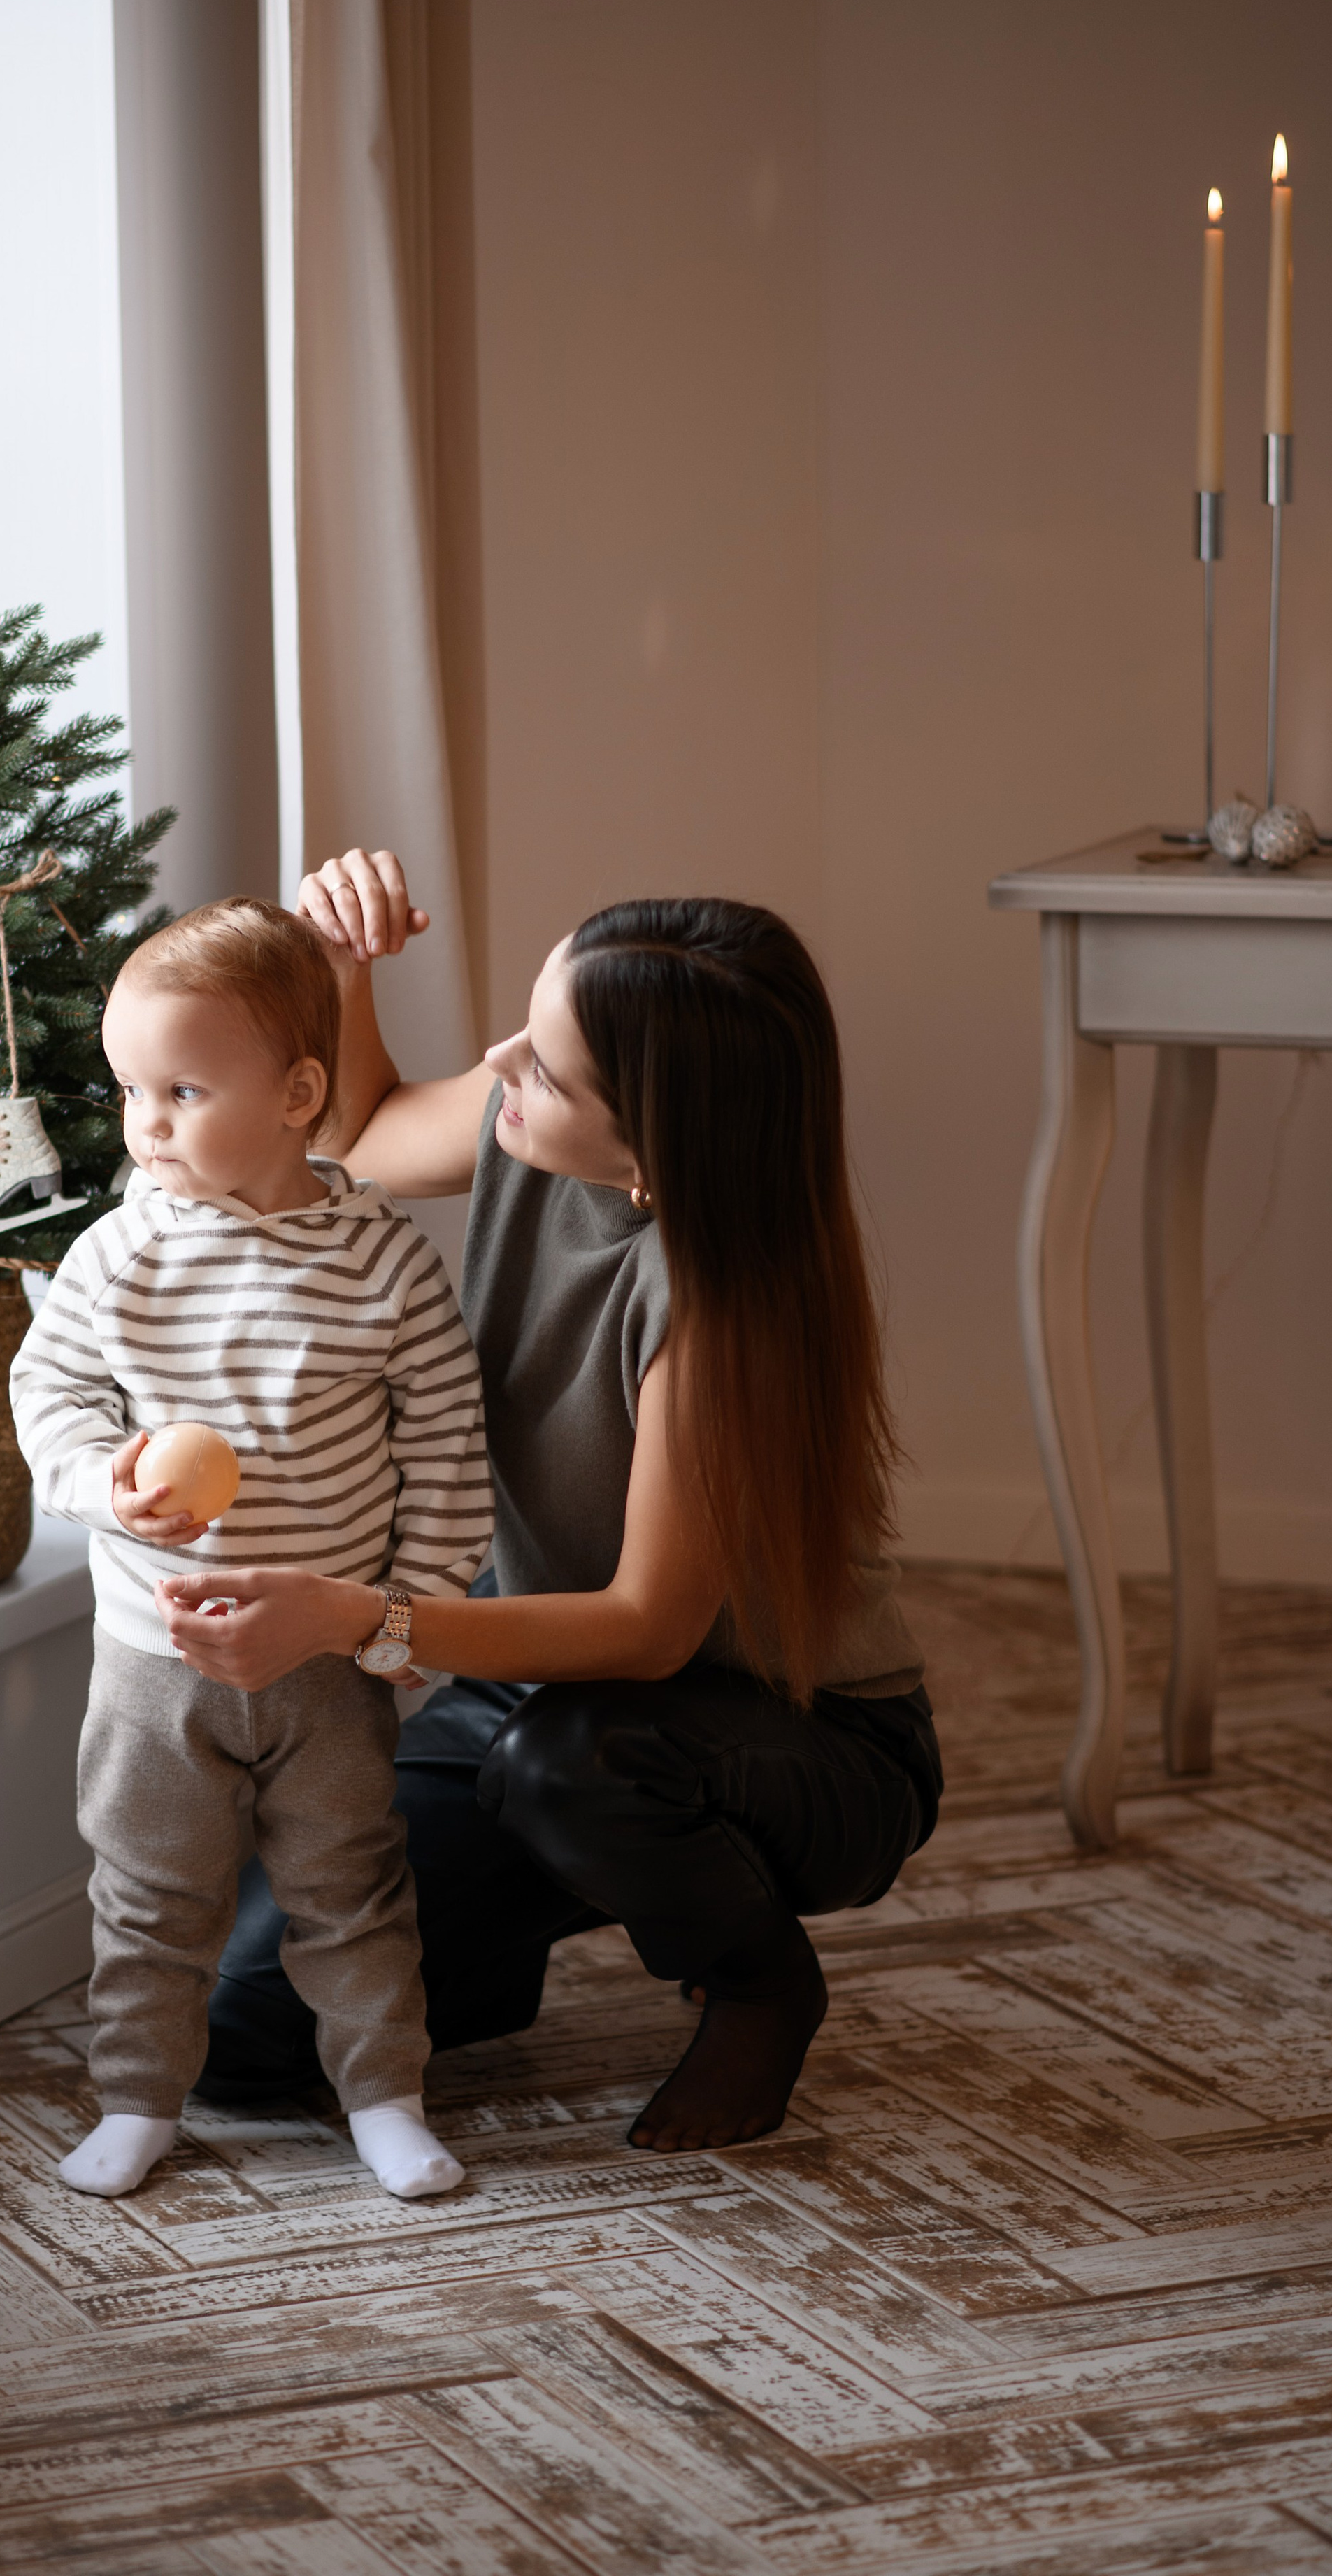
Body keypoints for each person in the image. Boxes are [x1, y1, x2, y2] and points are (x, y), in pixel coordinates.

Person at [152, 857, 943, 2154]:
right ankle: (494, 1934)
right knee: (235, 2039)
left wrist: (356, 1620)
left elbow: (645, 1633)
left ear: (651, 1148)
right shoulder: (532, 1118)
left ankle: (757, 1982)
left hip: (801, 1740)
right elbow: (358, 1130)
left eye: (545, 1063)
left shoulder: (717, 1302)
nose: (502, 1056)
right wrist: (344, 972)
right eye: (531, 1016)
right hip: (554, 1698)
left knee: (573, 1773)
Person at [9, 898, 494, 2201]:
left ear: (298, 1093)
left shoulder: (382, 1260)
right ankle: (138, 2102)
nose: (145, 1124)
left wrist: (415, 1612)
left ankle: (386, 2097)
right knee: (150, 1895)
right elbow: (48, 1396)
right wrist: (106, 1488)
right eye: (128, 1090)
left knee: (352, 1890)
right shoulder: (118, 1255)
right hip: (153, 1656)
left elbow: (446, 1439)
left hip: (328, 1657)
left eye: (180, 1089)